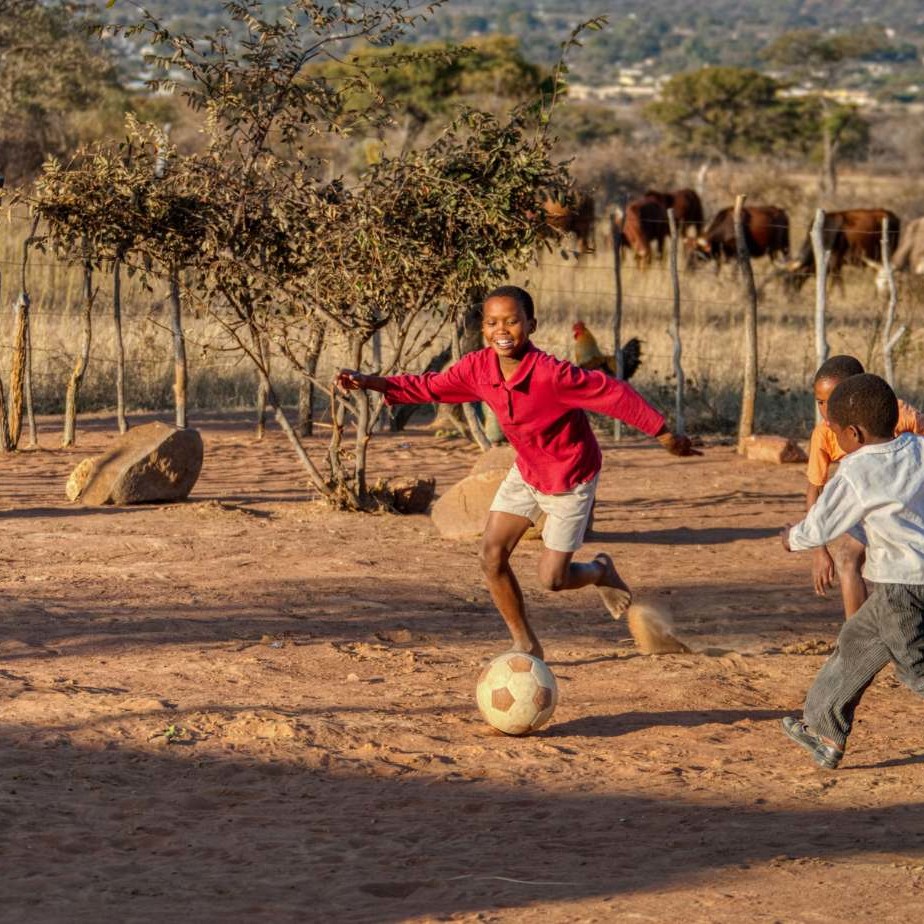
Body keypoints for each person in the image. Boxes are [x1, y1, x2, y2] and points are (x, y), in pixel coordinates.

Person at [338, 285, 698, 658]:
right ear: (483, 330)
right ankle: (524, 642)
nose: (502, 330)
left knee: (553, 579)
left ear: (531, 325)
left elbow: (614, 394)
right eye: (492, 323)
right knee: (491, 557)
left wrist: (664, 433)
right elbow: (432, 387)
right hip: (527, 471)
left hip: (570, 476)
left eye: (512, 321)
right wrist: (371, 382)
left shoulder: (553, 375)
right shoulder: (478, 367)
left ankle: (600, 571)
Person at [781, 373, 924, 769]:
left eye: (835, 431)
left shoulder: (857, 470)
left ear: (854, 434)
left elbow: (822, 525)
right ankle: (824, 730)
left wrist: (792, 538)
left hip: (902, 586)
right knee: (857, 639)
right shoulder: (919, 448)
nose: (831, 436)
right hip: (901, 584)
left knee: (916, 671)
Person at [806, 355, 924, 618]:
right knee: (847, 557)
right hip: (870, 510)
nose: (826, 410)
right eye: (820, 403)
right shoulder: (825, 435)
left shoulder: (898, 415)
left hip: (910, 506)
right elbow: (815, 489)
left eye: (833, 399)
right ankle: (856, 641)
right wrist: (818, 549)